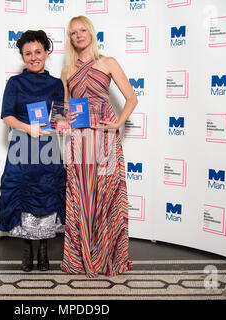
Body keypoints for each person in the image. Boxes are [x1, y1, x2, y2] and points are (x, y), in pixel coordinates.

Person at [60, 16, 138, 277]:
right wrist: (61, 120)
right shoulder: (67, 71)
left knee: (105, 194)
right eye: (73, 33)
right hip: (78, 139)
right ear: (69, 39)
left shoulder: (108, 63)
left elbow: (131, 98)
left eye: (82, 30)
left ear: (91, 33)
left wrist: (118, 123)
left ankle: (107, 257)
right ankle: (80, 259)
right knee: (81, 196)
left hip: (104, 138)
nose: (78, 35)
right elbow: (68, 108)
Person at [0, 30, 66, 272]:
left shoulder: (56, 84)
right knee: (24, 195)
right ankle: (27, 250)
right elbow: (6, 116)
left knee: (46, 194)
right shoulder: (14, 83)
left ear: (47, 53)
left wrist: (64, 123)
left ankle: (44, 249)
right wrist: (28, 128)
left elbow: (58, 117)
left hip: (48, 148)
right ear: (22, 56)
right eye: (28, 53)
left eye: (38, 52)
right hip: (22, 146)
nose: (34, 57)